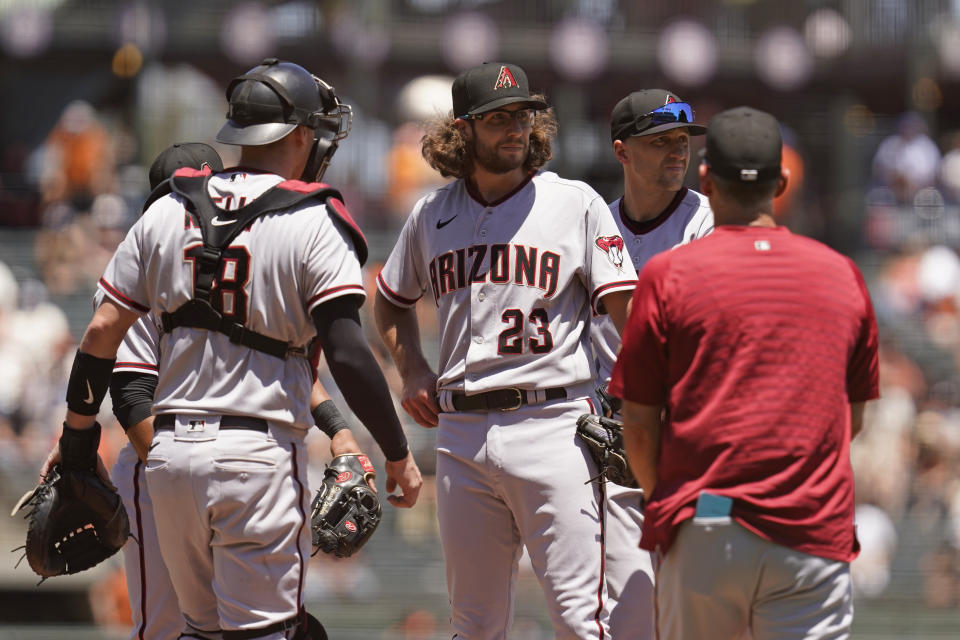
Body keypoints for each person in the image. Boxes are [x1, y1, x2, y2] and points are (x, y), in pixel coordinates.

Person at [41, 58, 422, 640]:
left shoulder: (167, 208)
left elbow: (99, 335)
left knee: (200, 631)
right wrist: (396, 451)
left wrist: (75, 444)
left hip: (170, 462)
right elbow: (346, 351)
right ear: (297, 135)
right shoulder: (315, 216)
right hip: (255, 457)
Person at [374, 61, 637, 639]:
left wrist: (634, 402)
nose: (515, 128)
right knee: (473, 624)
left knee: (580, 618)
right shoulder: (431, 213)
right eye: (498, 118)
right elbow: (390, 299)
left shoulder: (575, 203)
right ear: (463, 129)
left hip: (555, 421)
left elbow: (630, 312)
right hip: (462, 432)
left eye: (523, 114)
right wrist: (412, 368)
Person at [609, 106, 880, 640]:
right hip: (809, 526)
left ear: (705, 179)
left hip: (707, 520)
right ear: (782, 182)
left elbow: (638, 424)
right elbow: (853, 420)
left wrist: (670, 500)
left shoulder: (668, 274)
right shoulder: (842, 273)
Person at [107, 142, 376, 639]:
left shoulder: (224, 265)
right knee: (166, 628)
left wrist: (339, 429)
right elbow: (130, 399)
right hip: (159, 473)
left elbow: (279, 365)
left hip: (205, 468)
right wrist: (185, 471)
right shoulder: (148, 274)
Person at [591, 88, 711, 639]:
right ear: (622, 152)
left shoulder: (706, 223)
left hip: (690, 434)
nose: (676, 152)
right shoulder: (592, 223)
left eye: (682, 142)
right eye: (660, 142)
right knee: (630, 615)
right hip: (610, 440)